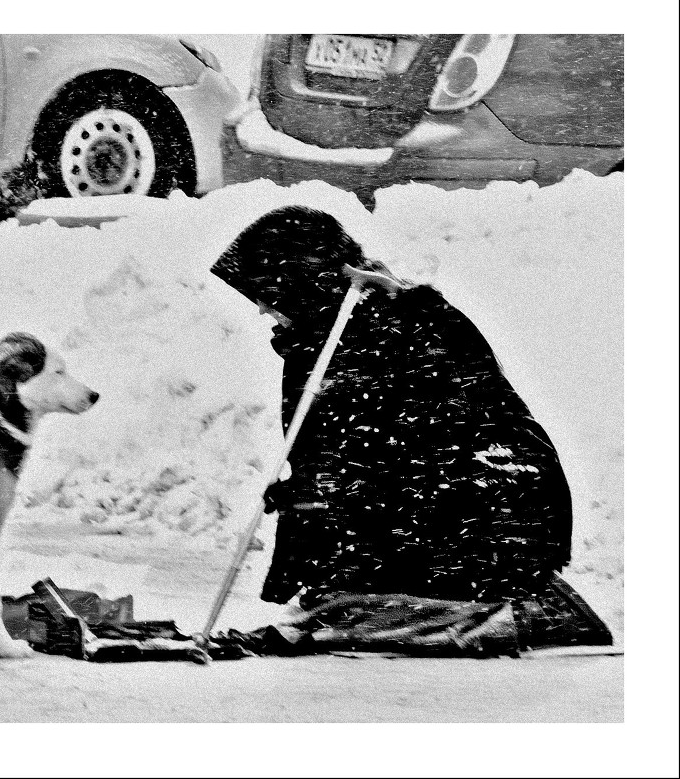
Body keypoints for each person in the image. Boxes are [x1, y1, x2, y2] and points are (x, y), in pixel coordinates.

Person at [210, 205, 610, 652]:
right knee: (342, 605)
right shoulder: (319, 340)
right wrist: (308, 496)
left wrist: (334, 490)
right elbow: (332, 454)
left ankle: (525, 604)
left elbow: (432, 443)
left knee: (384, 606)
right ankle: (403, 596)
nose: (262, 307)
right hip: (420, 504)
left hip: (492, 509)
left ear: (306, 283)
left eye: (269, 292)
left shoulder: (410, 326)